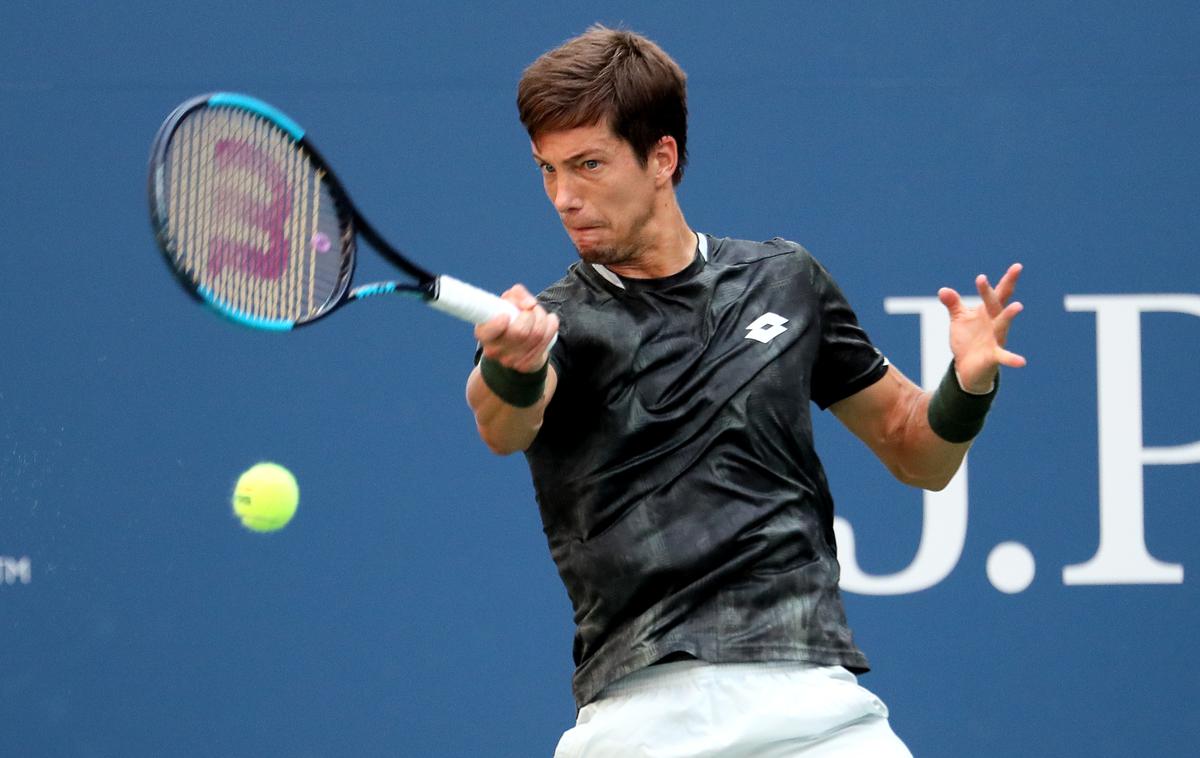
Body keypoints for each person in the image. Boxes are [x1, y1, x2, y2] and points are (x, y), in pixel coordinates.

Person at [466, 25, 1024, 757]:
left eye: (589, 165)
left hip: (818, 713)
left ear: (661, 157)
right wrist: (512, 363)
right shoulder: (559, 325)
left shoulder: (786, 280)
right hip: (646, 721)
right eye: (547, 170)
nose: (565, 197)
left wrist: (968, 384)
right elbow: (502, 424)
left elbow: (918, 451)